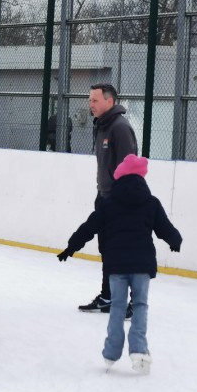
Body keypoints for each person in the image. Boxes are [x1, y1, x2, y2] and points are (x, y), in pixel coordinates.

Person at [57, 154, 182, 374]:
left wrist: (71, 247)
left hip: (116, 266)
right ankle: (139, 351)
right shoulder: (151, 203)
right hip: (142, 265)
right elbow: (165, 228)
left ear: (119, 178)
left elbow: (89, 227)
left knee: (117, 306)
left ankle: (111, 352)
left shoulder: (108, 203)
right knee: (140, 305)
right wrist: (175, 240)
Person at [79, 83, 138, 314]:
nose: (90, 105)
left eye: (95, 100)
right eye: (90, 100)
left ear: (109, 101)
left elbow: (130, 167)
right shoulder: (102, 126)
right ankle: (108, 296)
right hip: (104, 198)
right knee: (108, 250)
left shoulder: (120, 128)